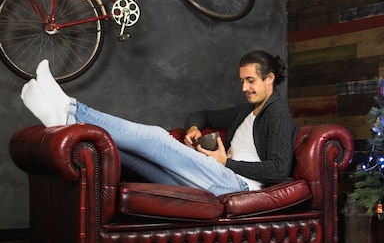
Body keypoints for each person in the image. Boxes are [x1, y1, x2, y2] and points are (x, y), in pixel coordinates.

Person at [20, 50, 298, 195]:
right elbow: (203, 114)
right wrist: (193, 129)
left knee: (155, 136)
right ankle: (66, 121)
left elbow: (278, 169)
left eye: (250, 81)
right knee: (130, 155)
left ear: (269, 79)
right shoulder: (244, 112)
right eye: (242, 81)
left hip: (235, 184)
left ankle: (70, 109)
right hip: (216, 178)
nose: (244, 88)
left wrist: (225, 163)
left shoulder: (277, 114)